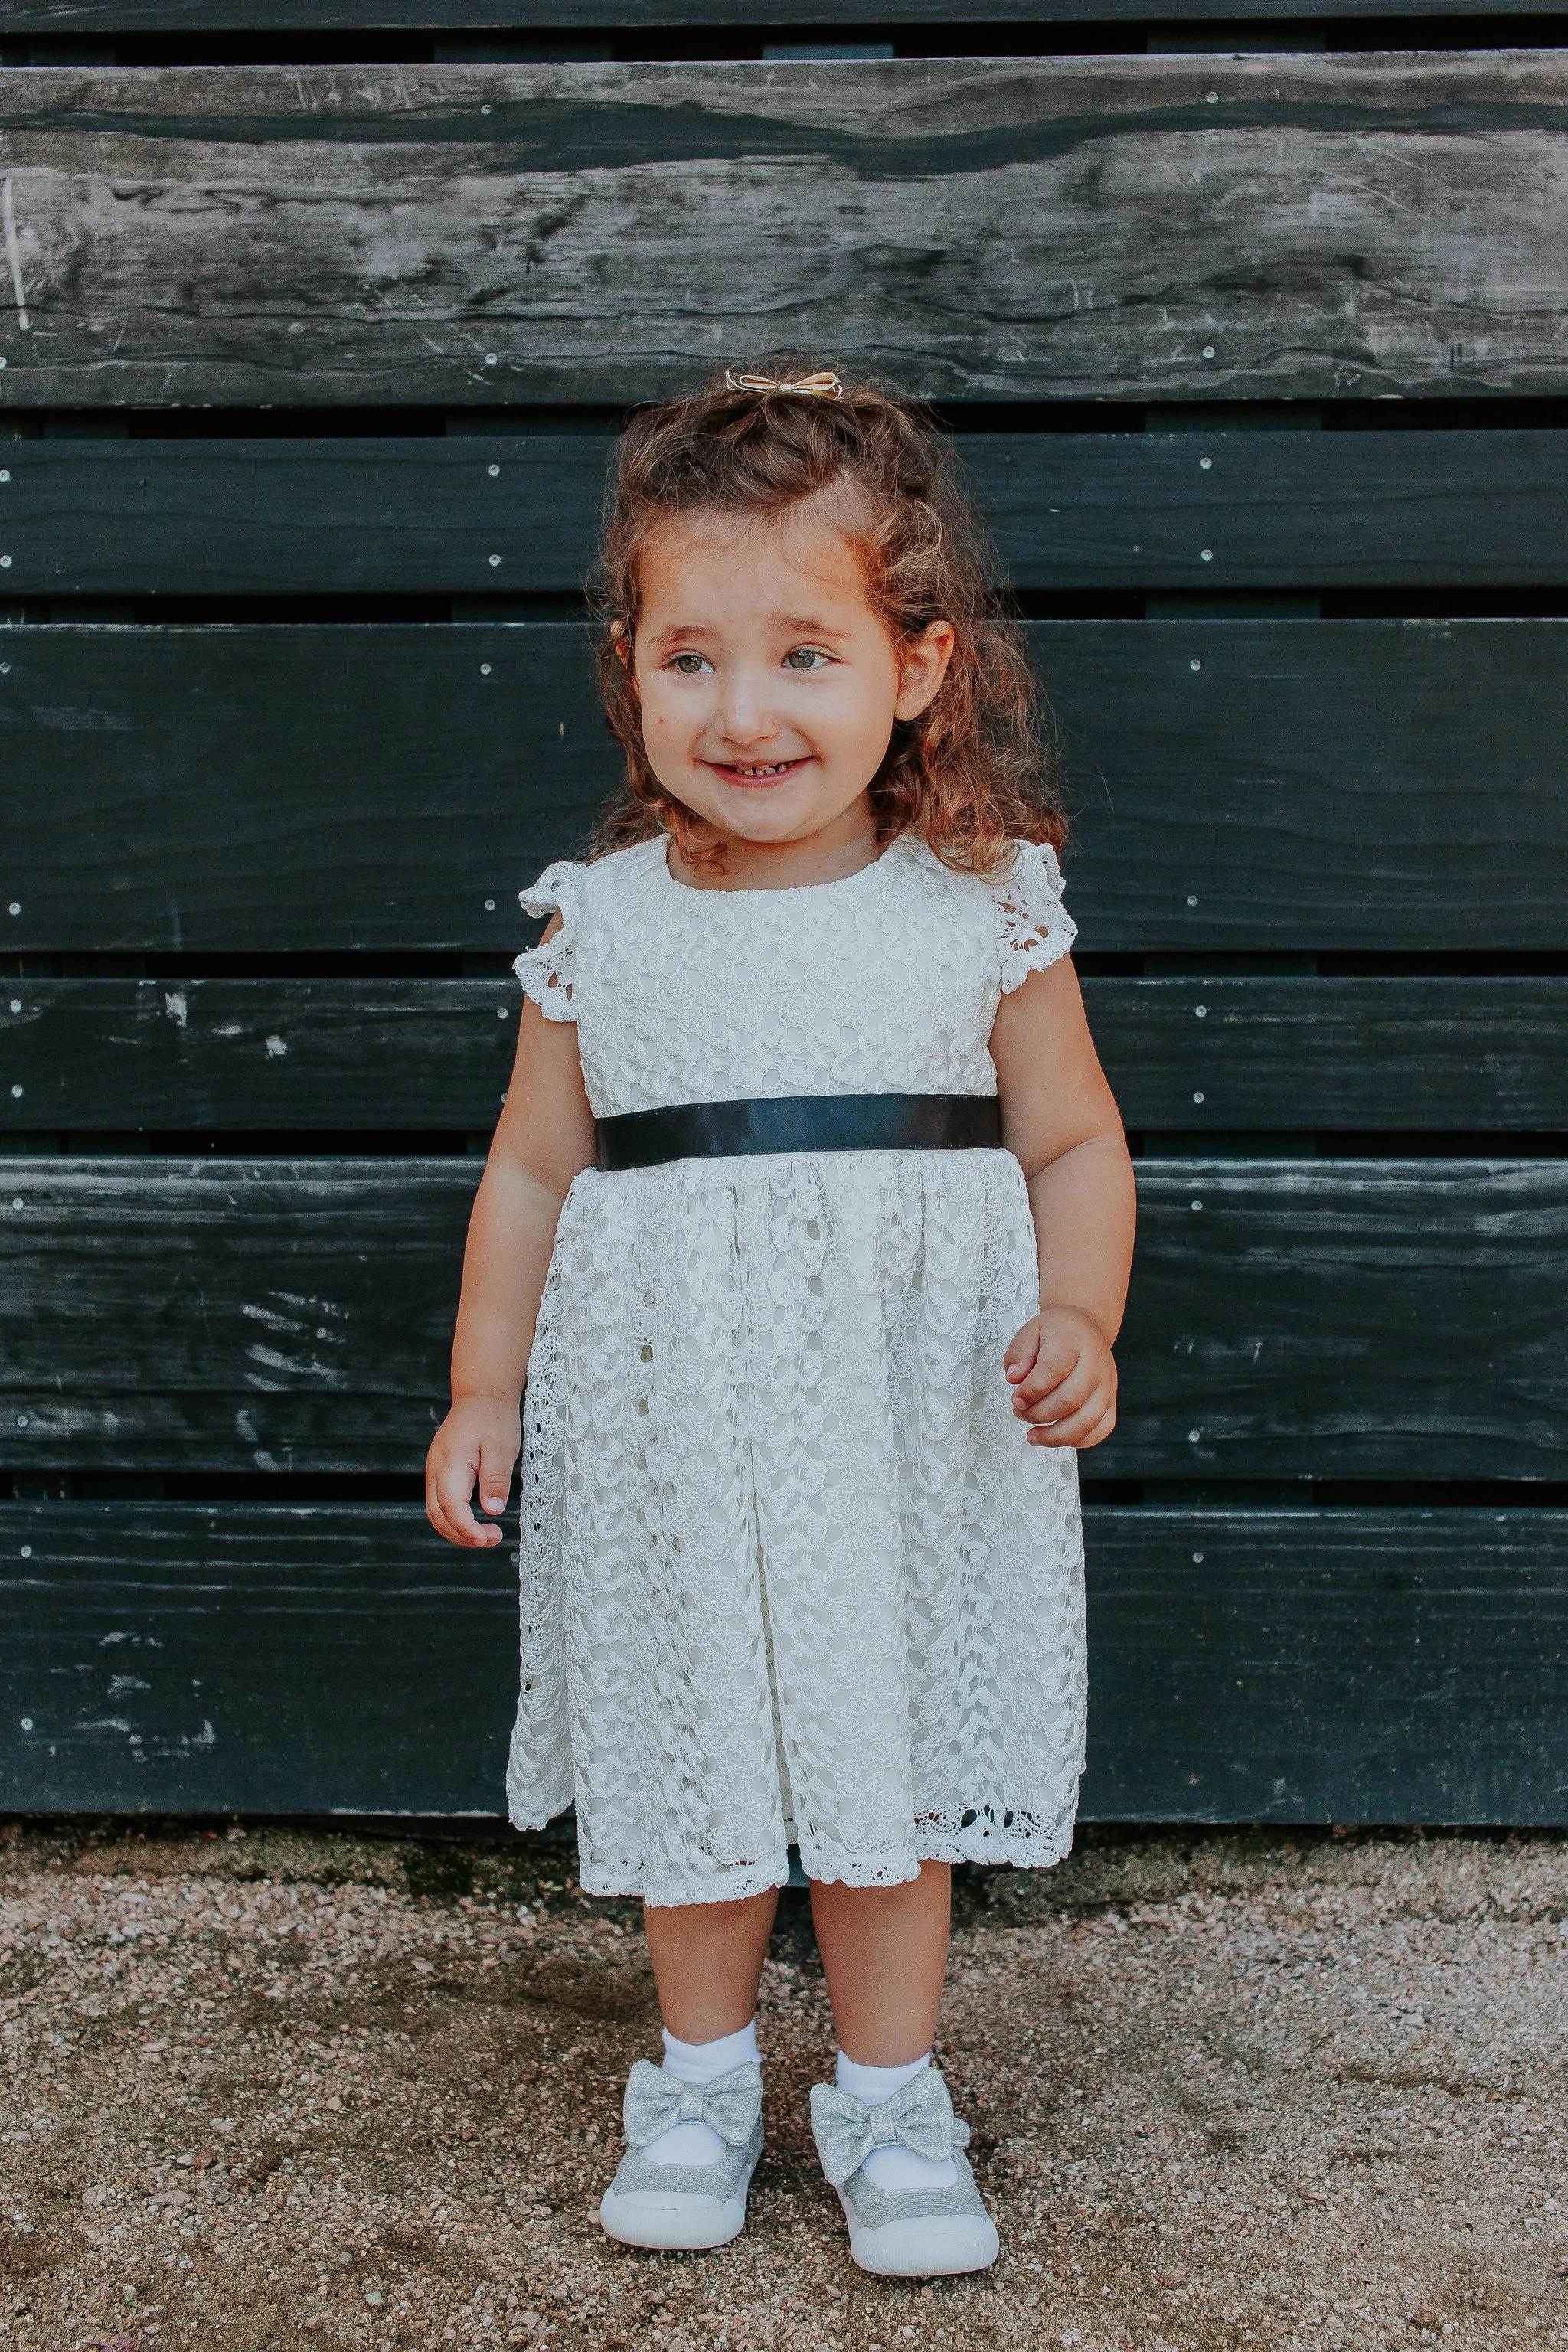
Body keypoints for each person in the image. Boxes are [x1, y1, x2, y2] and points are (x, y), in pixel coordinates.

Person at [425, 364, 1136, 2279]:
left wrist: (1084, 1309)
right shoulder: (603, 920)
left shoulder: (979, 906)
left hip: (909, 1423)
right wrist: (484, 1382)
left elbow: (1073, 1142)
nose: (744, 714)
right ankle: (702, 2073)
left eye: (805, 655)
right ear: (631, 669)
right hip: (675, 1429)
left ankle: (892, 2098)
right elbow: (528, 1171)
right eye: (692, 661)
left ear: (913, 666)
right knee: (699, 1766)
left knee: (886, 1777)